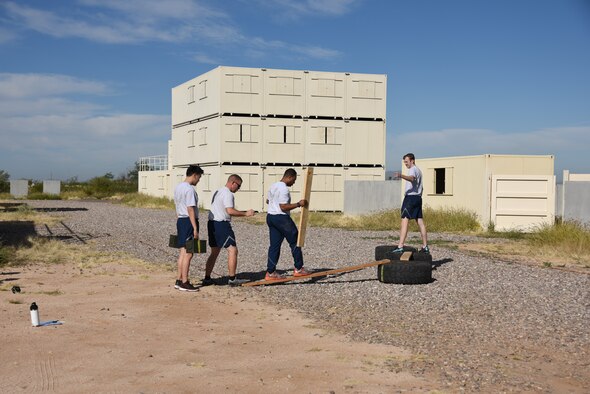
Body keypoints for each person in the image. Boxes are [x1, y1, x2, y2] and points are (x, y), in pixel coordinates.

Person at [202, 174, 255, 286]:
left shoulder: (218, 191)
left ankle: (207, 278)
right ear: (233, 183)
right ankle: (232, 279)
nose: (238, 189)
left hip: (212, 223)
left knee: (214, 252)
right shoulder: (228, 194)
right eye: (238, 186)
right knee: (233, 250)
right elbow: (230, 211)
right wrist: (246, 214)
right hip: (222, 224)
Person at [265, 168, 310, 281]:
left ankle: (270, 272)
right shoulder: (284, 189)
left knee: (274, 246)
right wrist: (298, 204)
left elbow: (268, 201)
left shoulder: (273, 186)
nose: (293, 183)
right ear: (289, 177)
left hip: (271, 217)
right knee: (295, 241)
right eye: (293, 180)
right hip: (281, 218)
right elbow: (283, 207)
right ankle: (299, 269)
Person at [173, 165, 204, 292]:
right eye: (199, 177)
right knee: (189, 253)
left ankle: (179, 279)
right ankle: (185, 282)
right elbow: (190, 208)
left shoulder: (178, 187)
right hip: (188, 221)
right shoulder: (189, 189)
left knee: (182, 252)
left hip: (180, 219)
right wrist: (195, 228)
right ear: (194, 175)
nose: (199, 180)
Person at [394, 153, 429, 254]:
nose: (405, 164)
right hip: (418, 198)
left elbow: (412, 178)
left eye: (406, 161)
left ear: (412, 160)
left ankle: (400, 246)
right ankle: (425, 246)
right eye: (404, 162)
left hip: (410, 198)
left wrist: (401, 175)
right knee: (420, 222)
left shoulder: (413, 169)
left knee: (405, 220)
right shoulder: (419, 170)